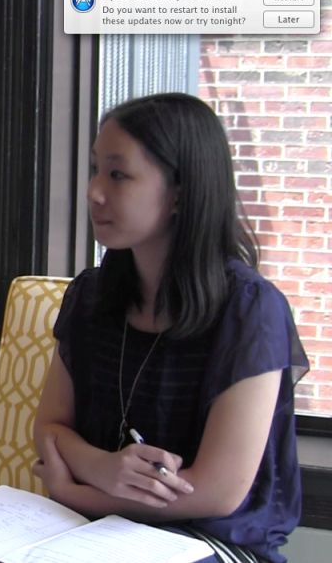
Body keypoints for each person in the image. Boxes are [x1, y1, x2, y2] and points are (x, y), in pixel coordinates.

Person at [33, 93, 308, 563]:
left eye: (118, 174)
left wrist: (77, 490)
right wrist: (102, 465)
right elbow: (49, 427)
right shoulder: (92, 295)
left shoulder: (251, 311)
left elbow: (216, 493)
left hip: (210, 544)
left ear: (180, 192)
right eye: (95, 169)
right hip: (89, 536)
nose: (95, 191)